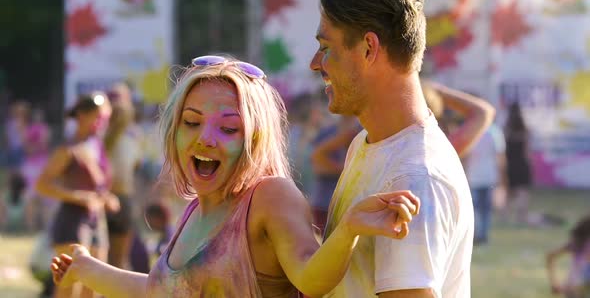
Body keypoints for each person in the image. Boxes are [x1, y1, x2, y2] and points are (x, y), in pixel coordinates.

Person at [50, 55, 420, 298]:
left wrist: (348, 231)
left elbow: (311, 278)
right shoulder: (196, 209)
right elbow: (161, 291)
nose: (204, 138)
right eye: (192, 122)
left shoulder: (269, 197)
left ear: (255, 138)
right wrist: (86, 268)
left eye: (228, 129)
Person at [309, 0, 473, 297]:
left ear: (369, 48)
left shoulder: (416, 177)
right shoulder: (366, 143)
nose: (316, 63)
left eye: (327, 47)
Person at [36, 91, 119, 298]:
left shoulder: (97, 145)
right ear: (82, 115)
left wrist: (106, 197)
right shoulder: (68, 149)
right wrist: (79, 197)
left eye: (105, 118)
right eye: (99, 117)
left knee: (94, 287)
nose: (103, 123)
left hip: (96, 221)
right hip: (71, 222)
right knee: (68, 286)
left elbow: (99, 185)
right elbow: (42, 185)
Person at [104, 84, 143, 269]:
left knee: (109, 264)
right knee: (113, 264)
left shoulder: (100, 138)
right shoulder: (131, 139)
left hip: (112, 200)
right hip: (114, 200)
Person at [310, 115, 361, 233]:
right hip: (325, 201)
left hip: (353, 203)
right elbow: (317, 166)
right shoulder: (327, 132)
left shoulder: (364, 132)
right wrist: (346, 171)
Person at [463, 122, 506, 245]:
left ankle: (476, 234)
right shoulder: (495, 132)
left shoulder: (472, 129)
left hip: (473, 175)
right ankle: (483, 235)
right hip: (489, 175)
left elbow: (465, 154)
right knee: (485, 209)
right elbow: (500, 156)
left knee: (474, 208)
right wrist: (502, 176)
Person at [546, 216, 590, 298]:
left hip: (572, 286)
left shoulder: (576, 244)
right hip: (579, 287)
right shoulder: (582, 244)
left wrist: (554, 283)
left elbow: (550, 256)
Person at [504, 101, 532, 225]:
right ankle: (521, 217)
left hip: (510, 164)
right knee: (522, 192)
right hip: (522, 164)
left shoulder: (506, 130)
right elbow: (527, 151)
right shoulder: (525, 130)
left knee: (509, 192)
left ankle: (505, 216)